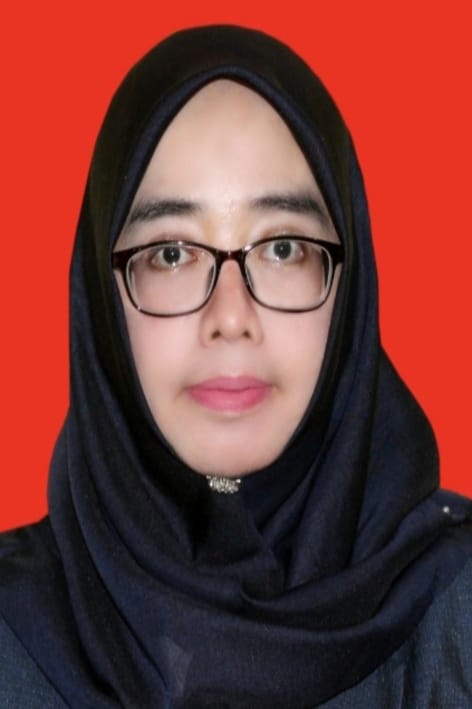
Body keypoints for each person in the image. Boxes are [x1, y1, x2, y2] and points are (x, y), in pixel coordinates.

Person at [0, 24, 471, 708]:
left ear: (350, 288)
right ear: (102, 299)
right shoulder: (12, 634)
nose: (230, 315)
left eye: (282, 248)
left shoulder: (457, 616)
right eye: (169, 253)